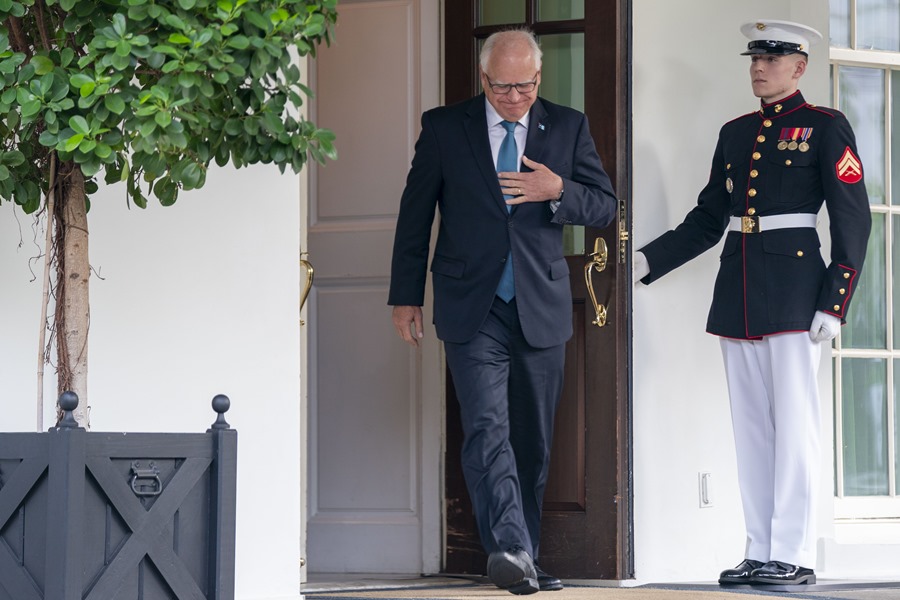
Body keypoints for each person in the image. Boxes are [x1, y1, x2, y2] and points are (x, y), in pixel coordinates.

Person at [634, 20, 870, 586]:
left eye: (772, 58)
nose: (758, 68)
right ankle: (760, 548)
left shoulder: (825, 127)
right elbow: (709, 220)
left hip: (795, 296)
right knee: (752, 431)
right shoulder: (735, 133)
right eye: (754, 59)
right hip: (738, 294)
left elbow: (852, 219)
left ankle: (793, 551)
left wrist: (835, 300)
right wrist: (645, 261)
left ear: (799, 67)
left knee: (794, 427)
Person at [389, 29, 617, 595]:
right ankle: (511, 549)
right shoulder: (445, 127)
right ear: (483, 78)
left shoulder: (567, 126)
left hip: (539, 302)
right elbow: (415, 216)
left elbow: (607, 207)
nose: (513, 97)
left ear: (539, 79)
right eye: (501, 86)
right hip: (473, 304)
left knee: (534, 440)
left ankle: (525, 559)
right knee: (487, 429)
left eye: (524, 86)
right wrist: (405, 295)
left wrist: (557, 188)